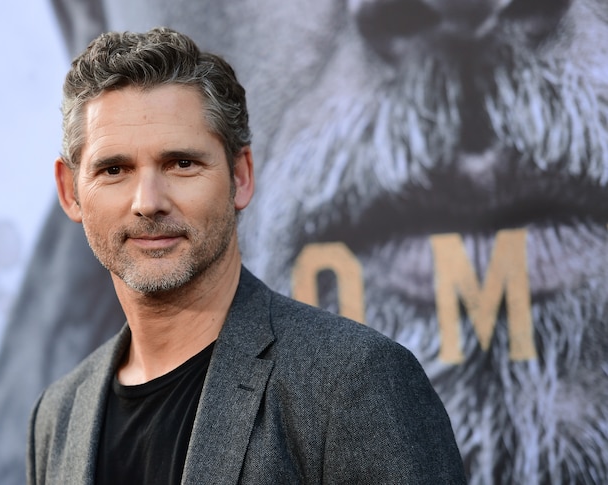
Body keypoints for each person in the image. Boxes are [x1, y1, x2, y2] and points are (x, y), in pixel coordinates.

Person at [27, 27, 466, 484]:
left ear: (241, 175)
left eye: (181, 163)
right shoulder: (57, 417)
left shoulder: (354, 382)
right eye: (114, 169)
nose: (148, 201)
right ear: (70, 191)